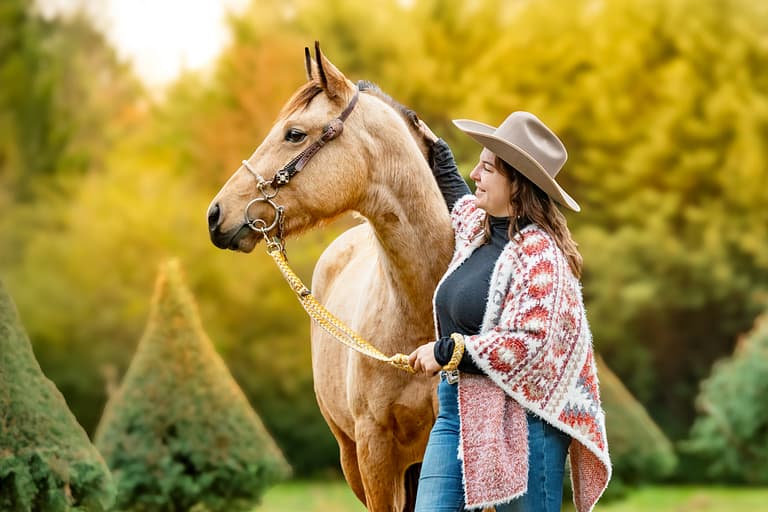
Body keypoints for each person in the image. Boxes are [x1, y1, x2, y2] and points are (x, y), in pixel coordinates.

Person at [408, 112, 611, 512]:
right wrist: (437, 151)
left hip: (527, 420)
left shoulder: (541, 256)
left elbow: (528, 343)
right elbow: (457, 197)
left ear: (516, 184)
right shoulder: (477, 232)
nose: (474, 174)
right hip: (456, 411)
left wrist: (446, 351)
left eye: (486, 168)